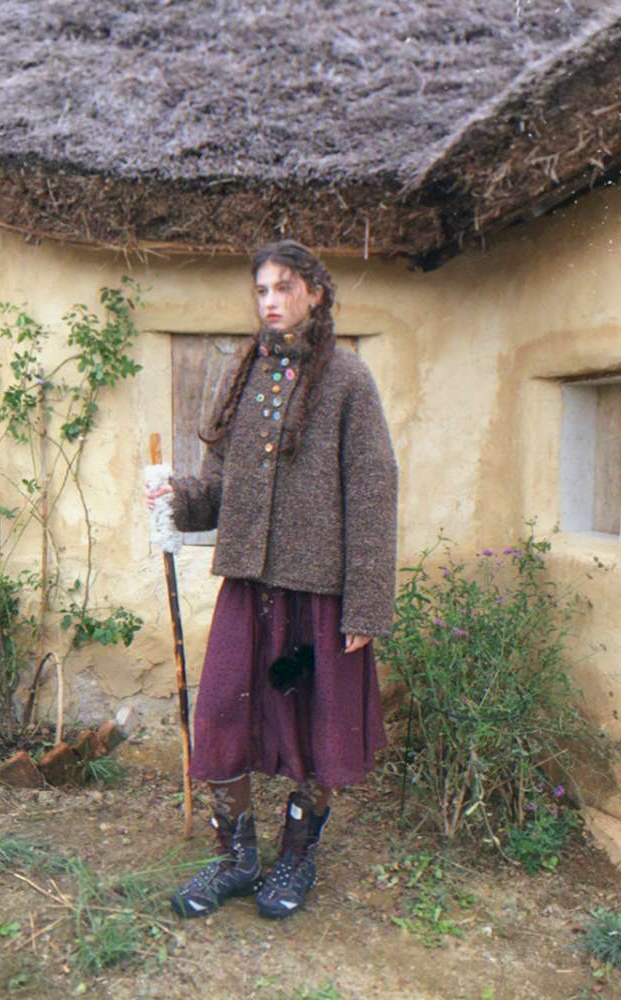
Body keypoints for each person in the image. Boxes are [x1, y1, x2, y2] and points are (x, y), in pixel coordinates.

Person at [148, 240, 397, 920]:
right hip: (249, 589)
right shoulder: (245, 374)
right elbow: (220, 490)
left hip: (321, 597)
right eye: (262, 289)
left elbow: (373, 494)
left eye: (284, 287)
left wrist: (365, 608)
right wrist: (176, 497)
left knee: (319, 729)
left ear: (315, 292)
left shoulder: (347, 379)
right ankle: (237, 860)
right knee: (221, 718)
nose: (271, 301)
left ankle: (295, 858)